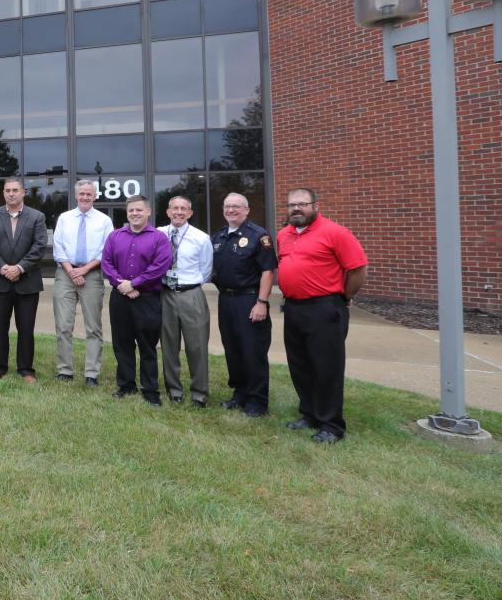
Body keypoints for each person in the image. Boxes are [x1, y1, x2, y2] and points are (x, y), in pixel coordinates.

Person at [277, 188, 368, 444]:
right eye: (291, 204)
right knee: (300, 365)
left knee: (326, 367)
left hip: (325, 308)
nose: (296, 209)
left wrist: (344, 297)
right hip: (294, 307)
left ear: (315, 206)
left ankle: (331, 424)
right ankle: (309, 414)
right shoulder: (284, 235)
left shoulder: (335, 232)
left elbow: (358, 269)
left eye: (302, 204)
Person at [101, 195, 171, 405]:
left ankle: (150, 390)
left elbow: (160, 266)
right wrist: (122, 284)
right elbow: (106, 263)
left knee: (147, 346)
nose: (134, 214)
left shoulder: (159, 238)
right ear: (127, 212)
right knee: (122, 344)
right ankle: (126, 385)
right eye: (131, 210)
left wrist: (135, 283)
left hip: (147, 299)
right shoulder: (115, 236)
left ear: (148, 212)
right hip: (120, 298)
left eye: (139, 210)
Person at [210, 193, 277, 417]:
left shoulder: (259, 236)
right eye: (227, 206)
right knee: (233, 349)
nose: (231, 210)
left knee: (252, 351)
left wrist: (262, 302)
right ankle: (239, 393)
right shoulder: (218, 237)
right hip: (226, 300)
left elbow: (268, 271)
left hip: (250, 300)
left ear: (246, 210)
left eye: (236, 207)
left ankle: (257, 401)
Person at [0, 178, 47, 382]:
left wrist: (19, 268)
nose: (11, 194)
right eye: (8, 190)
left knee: (26, 328)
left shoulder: (37, 217)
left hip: (27, 282)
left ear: (23, 192)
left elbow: (39, 246)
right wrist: (3, 268)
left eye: (15, 190)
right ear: (3, 193)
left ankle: (26, 369)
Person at [50, 180, 114, 386]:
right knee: (63, 325)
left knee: (93, 327)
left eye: (89, 194)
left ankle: (91, 374)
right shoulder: (64, 218)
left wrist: (84, 270)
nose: (85, 197)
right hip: (65, 274)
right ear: (76, 196)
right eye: (82, 194)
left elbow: (107, 250)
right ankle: (64, 370)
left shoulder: (104, 221)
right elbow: (58, 247)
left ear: (95, 196)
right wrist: (71, 271)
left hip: (92, 274)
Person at [157, 196, 214, 406]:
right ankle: (174, 391)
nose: (178, 212)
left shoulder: (201, 238)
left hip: (192, 295)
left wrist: (188, 284)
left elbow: (206, 270)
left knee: (197, 346)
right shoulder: (158, 234)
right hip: (165, 294)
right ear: (168, 211)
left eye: (183, 209)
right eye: (175, 208)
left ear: (190, 213)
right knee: (169, 345)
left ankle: (199, 393)